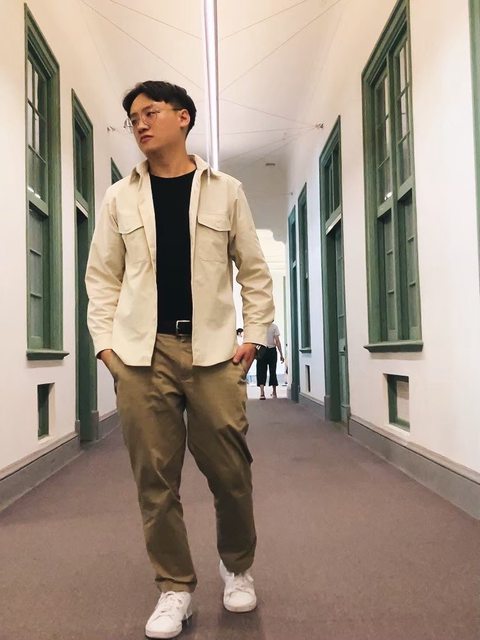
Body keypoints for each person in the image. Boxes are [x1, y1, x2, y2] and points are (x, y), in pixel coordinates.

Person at [85, 81, 274, 639]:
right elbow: (103, 279)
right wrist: (107, 349)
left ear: (183, 117)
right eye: (133, 119)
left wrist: (254, 337)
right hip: (141, 356)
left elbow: (254, 271)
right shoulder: (119, 198)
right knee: (155, 480)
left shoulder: (226, 191)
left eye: (150, 113)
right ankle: (175, 588)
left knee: (231, 473)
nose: (140, 124)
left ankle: (237, 567)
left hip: (215, 353)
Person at [256, 322, 284, 399]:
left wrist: (255, 353)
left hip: (261, 350)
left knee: (261, 371)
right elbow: (277, 341)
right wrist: (281, 354)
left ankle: (262, 393)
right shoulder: (274, 327)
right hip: (272, 351)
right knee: (273, 371)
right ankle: (274, 392)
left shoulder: (260, 326)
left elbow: (255, 341)